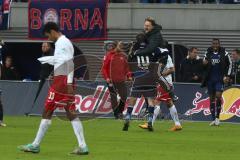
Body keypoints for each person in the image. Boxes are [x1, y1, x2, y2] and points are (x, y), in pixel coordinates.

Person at [18, 22, 88, 155]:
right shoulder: (64, 42)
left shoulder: (62, 43)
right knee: (70, 112)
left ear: (53, 31)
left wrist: (67, 84)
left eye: (48, 36)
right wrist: (52, 60)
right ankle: (83, 146)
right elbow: (64, 61)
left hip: (62, 81)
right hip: (63, 79)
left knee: (47, 110)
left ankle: (35, 145)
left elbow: (69, 64)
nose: (49, 39)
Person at [123, 17, 164, 132]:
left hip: (139, 76)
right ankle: (150, 120)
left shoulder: (136, 50)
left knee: (132, 98)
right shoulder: (152, 48)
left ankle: (128, 117)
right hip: (150, 76)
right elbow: (159, 54)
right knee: (150, 99)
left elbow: (130, 59)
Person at [139, 54, 182, 131]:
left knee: (156, 102)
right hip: (165, 83)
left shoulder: (166, 57)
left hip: (164, 83)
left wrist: (160, 75)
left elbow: (172, 69)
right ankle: (177, 124)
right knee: (169, 103)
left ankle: (150, 123)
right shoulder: (161, 56)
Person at [202, 38, 232, 126]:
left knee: (218, 96)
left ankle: (218, 117)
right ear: (212, 44)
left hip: (219, 79)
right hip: (210, 80)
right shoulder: (208, 52)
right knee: (211, 98)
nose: (215, 45)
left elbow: (230, 64)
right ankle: (213, 119)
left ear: (219, 44)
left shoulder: (224, 52)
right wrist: (204, 63)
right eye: (213, 44)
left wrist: (227, 75)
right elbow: (204, 62)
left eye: (216, 44)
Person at [101, 41, 132, 119]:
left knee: (124, 96)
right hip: (111, 80)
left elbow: (127, 68)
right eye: (119, 46)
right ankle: (116, 114)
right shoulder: (108, 56)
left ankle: (120, 111)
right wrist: (107, 78)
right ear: (116, 46)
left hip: (121, 80)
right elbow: (104, 68)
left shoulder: (124, 56)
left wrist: (129, 75)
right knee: (113, 97)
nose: (121, 48)